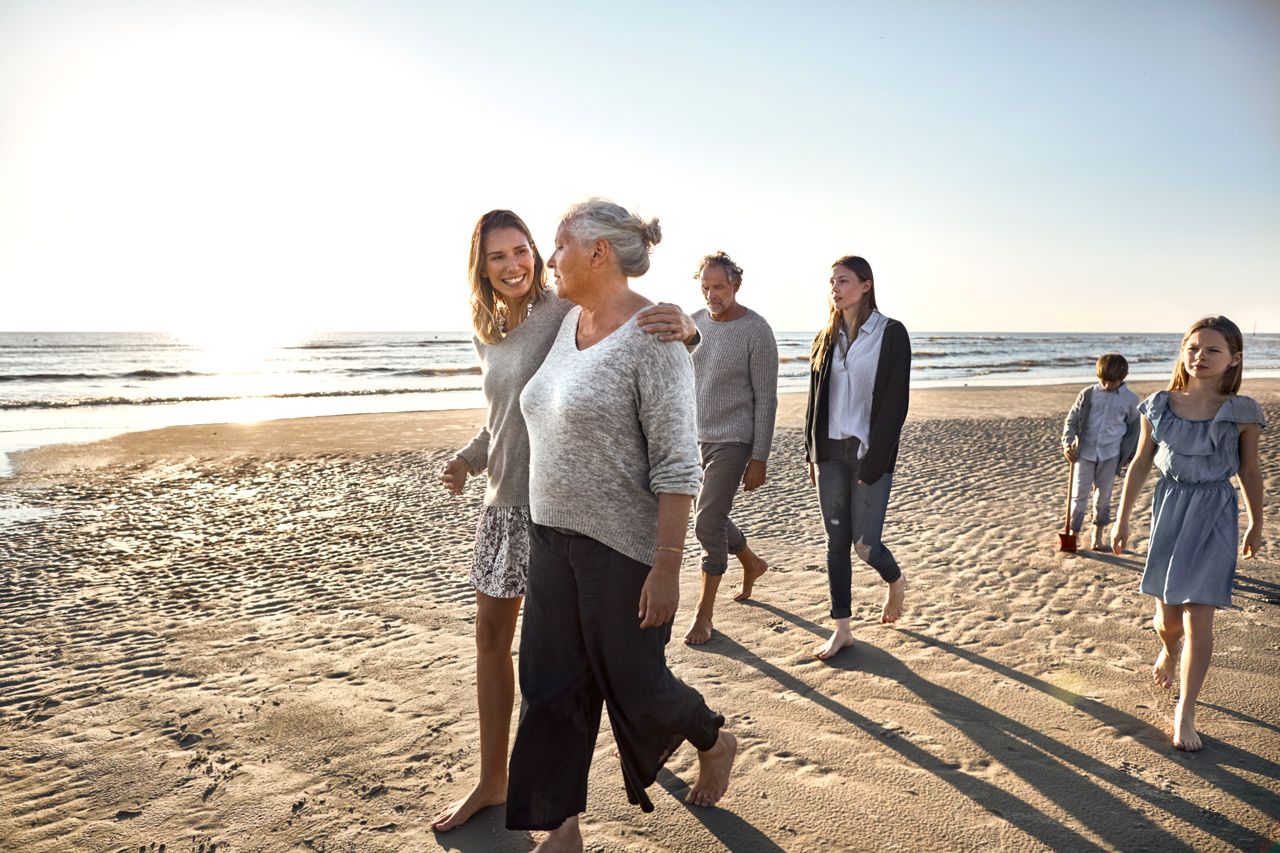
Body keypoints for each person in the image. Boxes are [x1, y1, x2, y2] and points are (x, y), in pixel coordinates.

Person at [432, 210, 696, 831]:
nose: (517, 265)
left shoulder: (561, 311)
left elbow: (627, 328)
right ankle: (496, 781)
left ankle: (685, 734)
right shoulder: (486, 331)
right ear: (481, 266)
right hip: (504, 504)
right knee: (497, 646)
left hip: (558, 512)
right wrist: (469, 460)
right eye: (498, 257)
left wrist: (689, 331)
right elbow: (506, 417)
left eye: (524, 250)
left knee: (602, 667)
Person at [508, 199, 737, 851]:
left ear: (596, 253)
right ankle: (561, 826)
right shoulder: (566, 320)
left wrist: (667, 562)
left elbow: (677, 461)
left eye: (557, 247)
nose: (550, 260)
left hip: (623, 548)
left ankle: (715, 739)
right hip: (549, 535)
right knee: (550, 684)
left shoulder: (654, 336)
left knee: (635, 687)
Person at [1111, 315, 1264, 751]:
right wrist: (1122, 520)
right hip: (1170, 510)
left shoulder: (1243, 411)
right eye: (1193, 348)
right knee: (1168, 619)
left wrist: (1257, 522)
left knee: (1200, 616)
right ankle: (1167, 649)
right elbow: (1140, 464)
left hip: (1215, 512)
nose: (1200, 357)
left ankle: (1186, 710)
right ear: (1183, 352)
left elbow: (1251, 471)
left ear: (1234, 359)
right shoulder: (1159, 404)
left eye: (1213, 350)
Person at [803, 256, 910, 661]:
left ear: (865, 285)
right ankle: (842, 628)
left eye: (843, 281)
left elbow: (895, 402)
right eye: (831, 282)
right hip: (829, 452)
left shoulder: (891, 334)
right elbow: (815, 403)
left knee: (865, 545)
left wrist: (876, 460)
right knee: (835, 543)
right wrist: (811, 454)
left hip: (869, 453)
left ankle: (895, 579)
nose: (835, 288)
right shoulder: (824, 337)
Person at [683, 251, 777, 645]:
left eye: (718, 286)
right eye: (705, 287)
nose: (711, 294)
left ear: (736, 284)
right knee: (713, 517)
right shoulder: (693, 324)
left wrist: (759, 456)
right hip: (692, 439)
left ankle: (704, 615)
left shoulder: (756, 330)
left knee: (705, 522)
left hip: (734, 439)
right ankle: (751, 562)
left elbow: (767, 398)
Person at [1060, 353, 1141, 549]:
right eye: (1103, 380)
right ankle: (1073, 534)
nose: (1106, 385)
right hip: (1084, 453)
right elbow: (1072, 419)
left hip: (1111, 454)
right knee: (1079, 495)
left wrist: (1129, 456)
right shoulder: (1088, 394)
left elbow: (1134, 430)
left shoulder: (1130, 400)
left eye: (1111, 382)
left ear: (1122, 378)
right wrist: (1067, 443)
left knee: (1103, 497)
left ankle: (1097, 536)